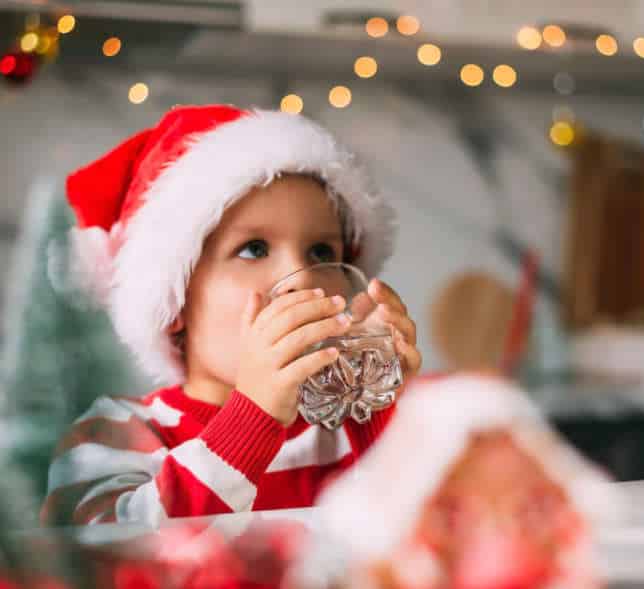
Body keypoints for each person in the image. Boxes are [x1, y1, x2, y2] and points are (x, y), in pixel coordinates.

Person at [41, 105, 422, 526]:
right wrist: (252, 420)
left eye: (322, 253)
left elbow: (437, 540)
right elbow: (101, 559)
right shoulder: (117, 431)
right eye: (254, 249)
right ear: (173, 305)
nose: (300, 278)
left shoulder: (346, 431)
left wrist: (380, 407)